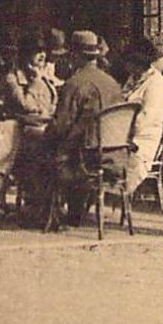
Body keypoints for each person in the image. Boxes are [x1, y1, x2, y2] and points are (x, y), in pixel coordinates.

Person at [45, 30, 122, 227]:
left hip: (84, 160)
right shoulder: (113, 84)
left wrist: (45, 132)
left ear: (74, 56)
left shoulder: (75, 84)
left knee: (40, 151)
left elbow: (61, 125)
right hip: (116, 156)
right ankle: (75, 212)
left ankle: (45, 214)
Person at [122, 40, 163, 194]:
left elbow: (147, 118)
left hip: (142, 141)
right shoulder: (135, 79)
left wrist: (121, 131)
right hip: (127, 137)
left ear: (137, 62)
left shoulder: (158, 83)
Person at [6, 37, 59, 119]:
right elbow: (26, 106)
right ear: (26, 54)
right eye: (37, 51)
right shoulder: (13, 78)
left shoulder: (46, 73)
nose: (42, 55)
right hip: (24, 126)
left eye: (43, 51)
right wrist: (36, 81)